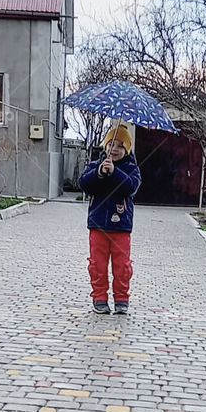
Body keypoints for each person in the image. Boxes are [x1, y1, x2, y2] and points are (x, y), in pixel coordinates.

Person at [78, 123, 141, 314]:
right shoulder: (96, 165)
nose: (114, 148)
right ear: (105, 146)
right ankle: (99, 298)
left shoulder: (131, 168)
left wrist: (114, 173)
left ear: (127, 149)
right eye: (111, 144)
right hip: (98, 224)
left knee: (122, 266)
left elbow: (131, 187)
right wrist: (99, 173)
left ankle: (122, 298)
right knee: (98, 264)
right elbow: (84, 184)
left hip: (121, 226)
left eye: (121, 145)